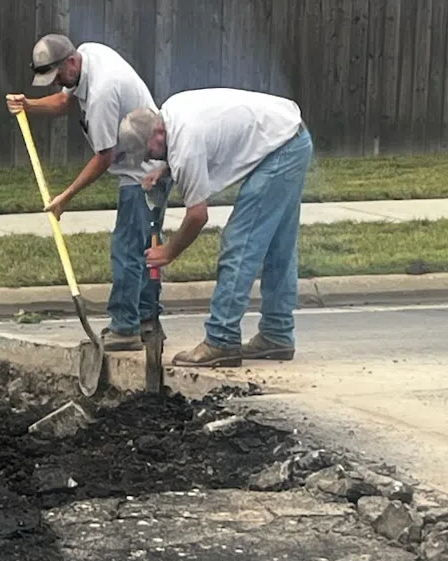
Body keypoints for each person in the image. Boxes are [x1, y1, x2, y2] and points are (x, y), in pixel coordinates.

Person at [114, 88, 313, 368]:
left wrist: (169, 252)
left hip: (281, 148)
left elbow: (197, 216)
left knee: (239, 242)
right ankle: (277, 334)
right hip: (291, 137)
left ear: (158, 134)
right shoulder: (170, 114)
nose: (150, 160)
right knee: (278, 246)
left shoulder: (185, 145)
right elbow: (196, 145)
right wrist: (168, 169)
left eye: (149, 154)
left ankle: (222, 339)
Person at [5, 34, 167, 352]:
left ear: (70, 62)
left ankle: (124, 328)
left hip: (144, 174)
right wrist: (29, 105)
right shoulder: (88, 54)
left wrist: (65, 197)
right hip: (149, 166)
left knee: (127, 250)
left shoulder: (103, 93)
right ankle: (148, 322)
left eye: (58, 76)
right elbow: (65, 100)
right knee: (147, 250)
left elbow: (104, 157)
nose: (56, 84)